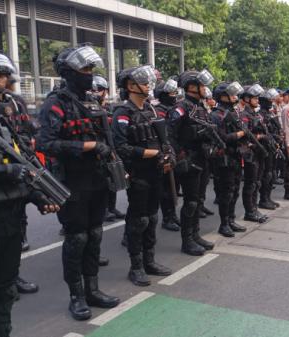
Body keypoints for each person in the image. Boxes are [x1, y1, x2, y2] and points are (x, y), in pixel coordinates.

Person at [37, 45, 120, 320]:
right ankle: (77, 296)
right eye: (84, 69)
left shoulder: (93, 101)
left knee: (95, 234)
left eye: (91, 69)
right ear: (68, 72)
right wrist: (85, 146)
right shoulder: (55, 103)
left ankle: (93, 289)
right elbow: (46, 143)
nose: (89, 74)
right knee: (77, 238)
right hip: (70, 181)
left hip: (96, 178)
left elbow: (106, 138)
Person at [0, 79, 59, 337]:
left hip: (10, 222)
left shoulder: (1, 132)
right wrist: (8, 170)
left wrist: (38, 197)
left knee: (5, 289)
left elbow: (23, 172)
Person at [0, 53, 40, 295]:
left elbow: (26, 128)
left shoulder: (15, 101)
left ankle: (12, 276)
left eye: (3, 75)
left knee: (17, 223)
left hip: (17, 167)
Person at [112, 65, 174, 287]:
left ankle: (150, 261)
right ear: (130, 86)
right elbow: (121, 146)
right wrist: (150, 153)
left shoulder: (152, 110)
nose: (148, 86)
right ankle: (136, 267)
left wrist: (168, 154)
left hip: (156, 171)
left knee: (153, 218)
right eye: (144, 83)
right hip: (138, 174)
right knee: (139, 221)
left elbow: (163, 139)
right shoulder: (122, 113)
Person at [168, 70, 217, 256]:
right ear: (192, 87)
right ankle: (187, 240)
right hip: (189, 159)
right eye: (202, 86)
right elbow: (170, 134)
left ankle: (195, 235)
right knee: (190, 202)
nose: (206, 89)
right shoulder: (181, 107)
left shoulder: (201, 107)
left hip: (202, 158)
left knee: (197, 200)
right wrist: (180, 156)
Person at [210, 82, 248, 237]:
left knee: (234, 191)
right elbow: (222, 137)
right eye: (231, 94)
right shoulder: (216, 115)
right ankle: (224, 223)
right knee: (226, 193)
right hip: (224, 158)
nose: (234, 97)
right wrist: (241, 134)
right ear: (222, 97)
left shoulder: (235, 112)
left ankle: (231, 220)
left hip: (235, 155)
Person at [91, 75, 125, 223]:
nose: (96, 93)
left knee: (113, 177)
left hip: (109, 146)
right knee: (101, 181)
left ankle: (111, 208)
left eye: (99, 90)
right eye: (94, 90)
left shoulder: (108, 108)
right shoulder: (89, 107)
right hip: (96, 148)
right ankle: (103, 209)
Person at [153, 78, 182, 232]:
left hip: (174, 152)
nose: (174, 95)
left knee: (173, 187)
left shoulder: (173, 109)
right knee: (166, 188)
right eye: (171, 93)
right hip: (162, 154)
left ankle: (172, 216)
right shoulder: (158, 111)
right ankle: (167, 218)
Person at [239, 84, 269, 222]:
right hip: (251, 152)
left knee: (257, 182)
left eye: (257, 98)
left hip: (259, 152)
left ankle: (254, 208)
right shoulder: (244, 115)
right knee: (251, 183)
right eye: (254, 98)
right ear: (246, 99)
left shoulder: (255, 114)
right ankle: (249, 211)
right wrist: (260, 137)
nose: (257, 100)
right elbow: (247, 135)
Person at [258, 88, 283, 209]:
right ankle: (263, 199)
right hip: (266, 147)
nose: (271, 102)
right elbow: (264, 132)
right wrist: (274, 136)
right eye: (269, 100)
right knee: (266, 174)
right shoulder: (261, 115)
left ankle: (268, 198)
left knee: (271, 173)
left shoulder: (270, 113)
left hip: (273, 146)